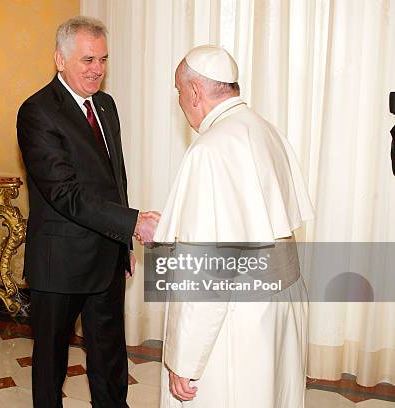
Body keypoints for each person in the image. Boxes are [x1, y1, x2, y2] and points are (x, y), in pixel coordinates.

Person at [154, 46, 315, 407]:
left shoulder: (210, 149)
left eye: (179, 91)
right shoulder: (265, 129)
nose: (180, 102)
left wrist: (185, 359)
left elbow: (208, 271)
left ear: (194, 92)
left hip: (234, 323)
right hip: (276, 306)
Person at [17, 16, 158, 408]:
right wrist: (132, 223)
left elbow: (116, 180)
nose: (98, 69)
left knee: (110, 355)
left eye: (103, 60)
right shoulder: (37, 112)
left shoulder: (106, 105)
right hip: (59, 262)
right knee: (51, 362)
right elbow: (65, 194)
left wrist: (122, 241)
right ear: (60, 60)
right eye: (88, 60)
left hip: (106, 256)